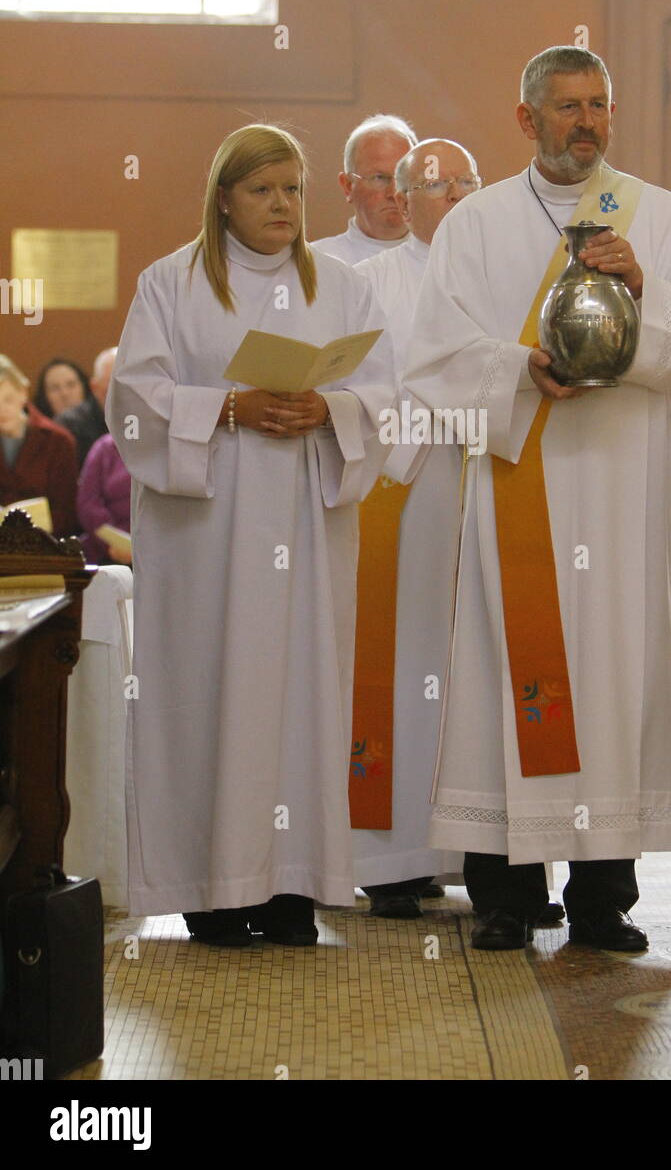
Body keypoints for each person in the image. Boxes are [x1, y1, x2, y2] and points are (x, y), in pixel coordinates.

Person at [403, 47, 671, 952]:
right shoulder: (474, 225)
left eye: (599, 106)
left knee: (612, 677)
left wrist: (642, 288)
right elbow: (430, 353)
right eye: (567, 107)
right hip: (523, 479)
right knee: (506, 671)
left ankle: (601, 901)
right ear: (527, 119)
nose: (586, 123)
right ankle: (504, 900)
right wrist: (520, 368)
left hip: (621, 488)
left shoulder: (656, 216)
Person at [106, 124, 396, 947]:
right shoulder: (172, 281)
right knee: (208, 691)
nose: (283, 205)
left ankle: (291, 886)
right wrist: (228, 407)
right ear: (224, 197)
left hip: (306, 530)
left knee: (301, 693)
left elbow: (383, 394)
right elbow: (132, 400)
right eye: (264, 189)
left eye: (294, 190)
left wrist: (329, 409)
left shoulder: (342, 286)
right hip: (209, 537)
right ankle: (210, 891)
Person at [350, 139, 480, 917]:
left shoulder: (507, 280)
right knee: (399, 672)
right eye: (436, 185)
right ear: (401, 198)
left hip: (497, 494)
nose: (455, 195)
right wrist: (428, 419)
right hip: (405, 498)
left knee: (484, 668)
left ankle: (499, 863)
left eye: (468, 181)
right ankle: (394, 858)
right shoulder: (366, 285)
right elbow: (357, 389)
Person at [312, 114, 417, 265]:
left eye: (402, 178)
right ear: (348, 186)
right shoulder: (316, 263)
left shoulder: (444, 260)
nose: (394, 193)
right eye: (379, 178)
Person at [0, 354, 79, 536]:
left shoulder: (58, 441)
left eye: (8, 399)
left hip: (46, 545)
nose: (1, 410)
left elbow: (66, 509)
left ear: (23, 393)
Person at [33, 355, 107, 466]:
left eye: (71, 385)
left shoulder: (106, 421)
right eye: (55, 388)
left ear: (86, 387)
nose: (64, 394)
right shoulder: (35, 435)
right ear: (44, 397)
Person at [76, 431, 132, 565]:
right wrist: (114, 542)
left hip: (156, 549)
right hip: (103, 545)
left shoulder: (168, 448)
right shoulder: (105, 447)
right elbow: (87, 502)